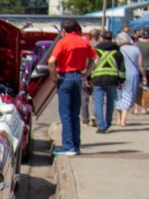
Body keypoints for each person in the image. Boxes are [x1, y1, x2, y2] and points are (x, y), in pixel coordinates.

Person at [47, 18, 97, 156]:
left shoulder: (62, 42)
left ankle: (68, 146)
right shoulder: (84, 41)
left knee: (65, 114)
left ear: (63, 30)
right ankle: (75, 145)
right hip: (78, 77)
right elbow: (95, 59)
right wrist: (86, 73)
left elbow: (51, 61)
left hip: (65, 77)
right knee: (75, 114)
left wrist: (53, 76)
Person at [90, 30, 124, 133]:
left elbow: (91, 65)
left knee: (99, 103)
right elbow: (122, 68)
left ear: (101, 38)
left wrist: (88, 78)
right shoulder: (117, 52)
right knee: (110, 103)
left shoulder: (96, 50)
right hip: (112, 80)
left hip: (98, 79)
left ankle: (101, 125)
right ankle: (108, 123)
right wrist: (121, 81)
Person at [115, 32, 144, 127]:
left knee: (118, 95)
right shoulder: (136, 49)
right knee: (129, 94)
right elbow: (140, 65)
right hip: (133, 74)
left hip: (119, 74)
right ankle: (123, 119)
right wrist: (144, 76)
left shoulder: (117, 50)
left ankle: (118, 119)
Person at [134, 29, 149, 115]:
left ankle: (136, 108)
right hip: (148, 67)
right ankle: (144, 108)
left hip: (137, 67)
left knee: (137, 88)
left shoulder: (136, 43)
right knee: (148, 88)